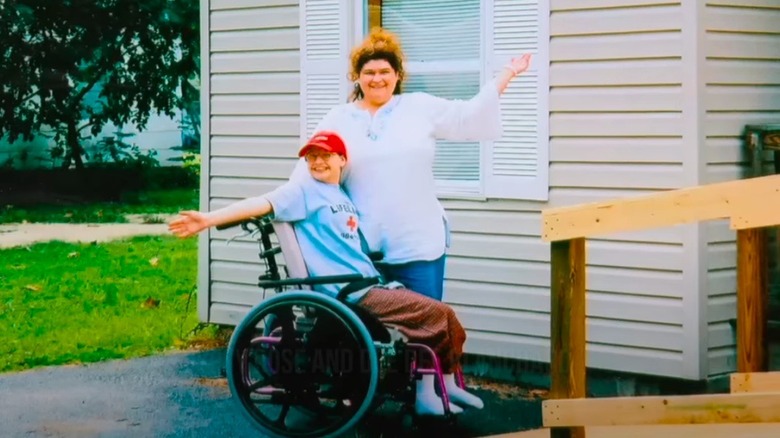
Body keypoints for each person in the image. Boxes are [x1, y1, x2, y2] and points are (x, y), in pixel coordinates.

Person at [168, 131, 483, 416]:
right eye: (312, 157)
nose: (318, 162)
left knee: (443, 318)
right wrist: (207, 219)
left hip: (368, 283)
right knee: (435, 314)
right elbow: (260, 203)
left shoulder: (342, 196)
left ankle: (447, 384)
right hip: (349, 291)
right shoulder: (302, 192)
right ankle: (428, 396)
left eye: (325, 155)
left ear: (342, 160)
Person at [290, 27, 533, 301]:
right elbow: (307, 171)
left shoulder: (419, 107)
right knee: (371, 336)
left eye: (385, 72)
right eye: (369, 73)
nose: (377, 79)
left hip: (419, 244)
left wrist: (506, 74)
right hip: (363, 249)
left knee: (426, 329)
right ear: (357, 77)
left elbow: (468, 116)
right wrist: (275, 208)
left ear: (397, 75)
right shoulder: (338, 118)